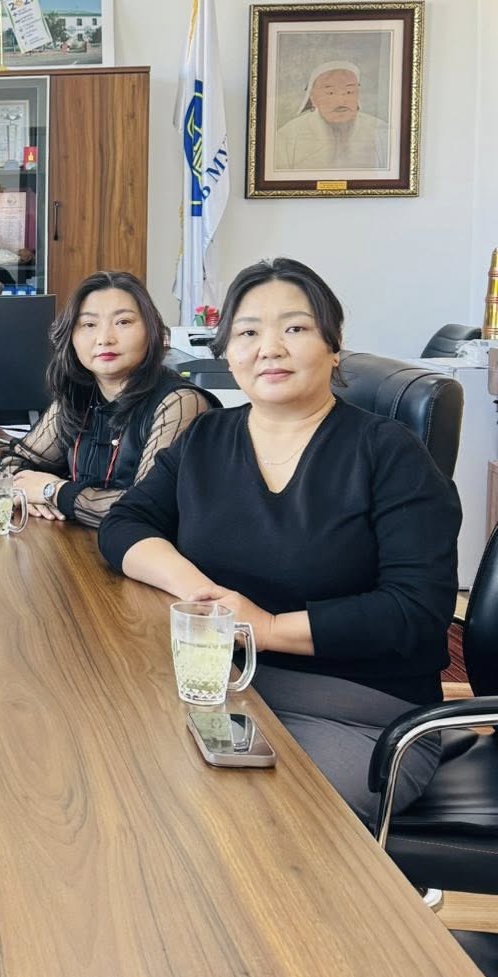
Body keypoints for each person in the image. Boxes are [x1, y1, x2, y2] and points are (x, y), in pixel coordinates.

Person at [99, 257, 459, 825]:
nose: (270, 348)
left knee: (232, 821)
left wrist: (265, 628)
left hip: (356, 712)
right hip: (221, 683)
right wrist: (202, 597)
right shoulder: (206, 437)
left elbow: (415, 610)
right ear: (227, 354)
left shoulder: (389, 453)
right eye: (247, 333)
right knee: (111, 773)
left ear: (333, 347)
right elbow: (125, 523)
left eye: (295, 328)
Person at [0, 271, 215, 527]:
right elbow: (14, 463)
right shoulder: (78, 394)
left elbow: (147, 506)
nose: (105, 339)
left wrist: (52, 492)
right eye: (89, 325)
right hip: (77, 545)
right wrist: (28, 494)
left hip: (151, 550)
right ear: (71, 336)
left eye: (123, 322)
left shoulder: (180, 402)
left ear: (152, 330)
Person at [272, 62, 391, 174]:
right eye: (330, 93)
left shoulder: (381, 131)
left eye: (349, 92)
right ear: (313, 98)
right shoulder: (288, 135)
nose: (341, 101)